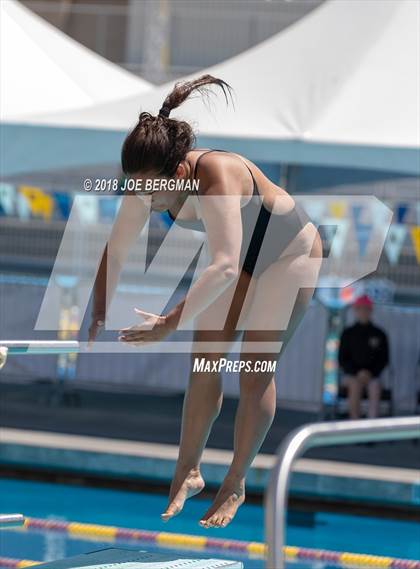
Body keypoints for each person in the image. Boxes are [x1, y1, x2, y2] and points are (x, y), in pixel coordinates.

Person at [88, 75, 322, 528]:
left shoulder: (215, 175)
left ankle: (235, 480)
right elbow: (117, 248)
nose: (141, 197)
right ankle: (188, 469)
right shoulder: (146, 183)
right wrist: (99, 306)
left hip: (288, 252)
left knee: (253, 370)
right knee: (204, 363)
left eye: (148, 189)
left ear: (178, 173)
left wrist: (169, 322)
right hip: (239, 260)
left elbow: (225, 267)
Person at [338, 295, 389, 420]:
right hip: (352, 375)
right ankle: (354, 425)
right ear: (355, 311)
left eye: (366, 309)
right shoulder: (348, 333)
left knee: (375, 387)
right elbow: (342, 358)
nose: (363, 312)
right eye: (360, 309)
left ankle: (370, 428)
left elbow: (384, 358)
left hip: (373, 376)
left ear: (371, 311)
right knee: (354, 385)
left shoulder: (379, 333)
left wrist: (370, 373)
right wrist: (357, 372)